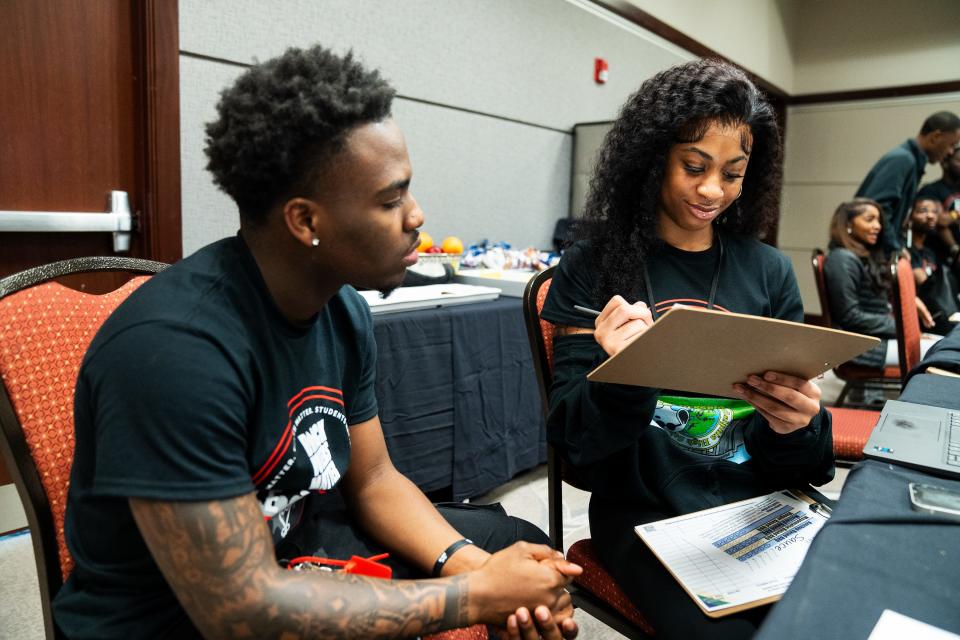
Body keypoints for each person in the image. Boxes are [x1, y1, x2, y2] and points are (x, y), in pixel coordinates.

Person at [52, 45, 582, 640]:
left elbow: (374, 481)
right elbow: (241, 611)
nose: (416, 215)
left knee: (524, 550)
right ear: (305, 222)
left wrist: (477, 570)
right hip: (176, 619)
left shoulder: (342, 310)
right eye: (390, 200)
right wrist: (473, 596)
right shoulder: (175, 353)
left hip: (291, 549)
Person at [540, 58, 835, 640]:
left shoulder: (769, 271)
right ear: (653, 160)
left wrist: (799, 424)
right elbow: (576, 446)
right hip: (648, 512)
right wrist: (625, 375)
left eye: (733, 173)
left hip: (759, 504)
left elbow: (802, 463)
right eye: (693, 166)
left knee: (840, 615)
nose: (711, 190)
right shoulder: (593, 267)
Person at [824, 198, 939, 370]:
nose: (878, 226)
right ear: (848, 223)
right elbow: (849, 316)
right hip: (863, 347)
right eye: (869, 219)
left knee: (946, 346)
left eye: (878, 220)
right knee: (945, 351)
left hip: (880, 338)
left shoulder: (863, 256)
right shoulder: (841, 259)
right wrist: (904, 329)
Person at [854, 111, 960, 254]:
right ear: (935, 137)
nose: (950, 152)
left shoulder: (911, 161)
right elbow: (878, 209)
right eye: (951, 145)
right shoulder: (903, 160)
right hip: (864, 251)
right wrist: (895, 248)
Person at [906, 197, 958, 336]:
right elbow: (924, 284)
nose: (930, 215)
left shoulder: (932, 251)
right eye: (923, 211)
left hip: (942, 315)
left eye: (935, 212)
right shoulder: (905, 250)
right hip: (922, 317)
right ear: (910, 216)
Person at [918, 148, 960, 265]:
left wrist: (951, 218)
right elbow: (941, 220)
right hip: (940, 259)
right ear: (945, 164)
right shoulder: (931, 190)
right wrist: (956, 214)